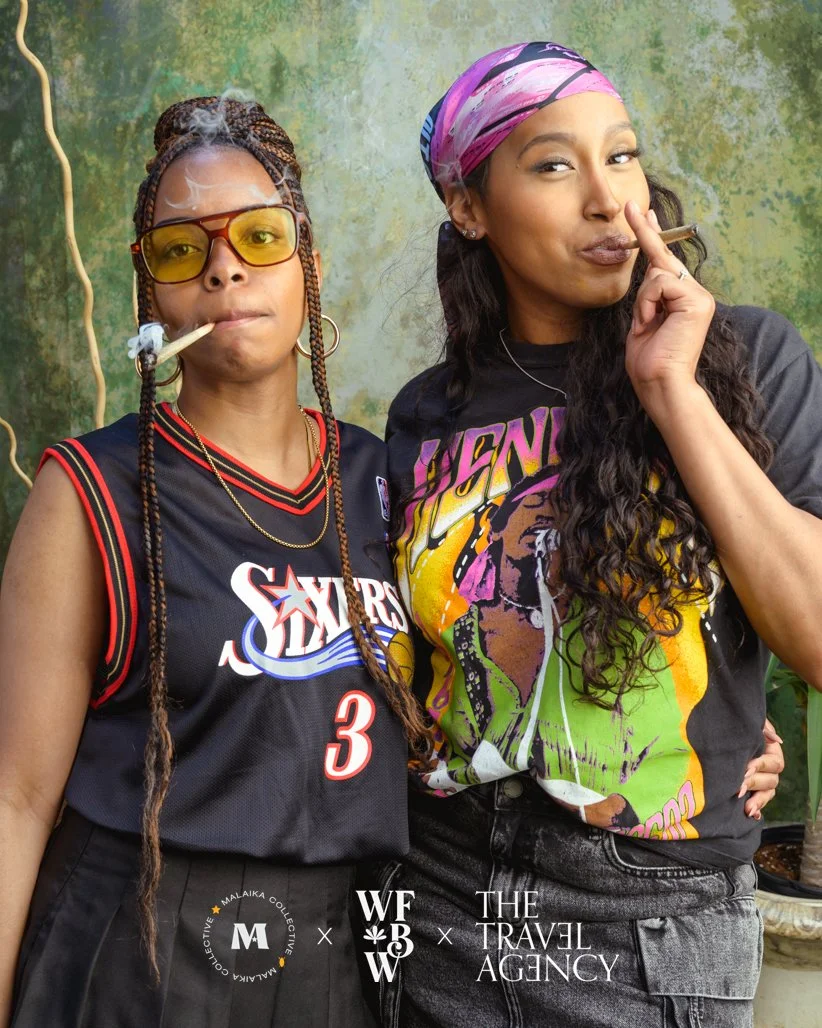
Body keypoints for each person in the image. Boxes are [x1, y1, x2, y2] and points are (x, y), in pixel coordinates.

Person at [380, 42, 804, 1027]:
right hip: (439, 895)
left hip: (647, 922)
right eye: (554, 166)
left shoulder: (746, 360)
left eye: (621, 156)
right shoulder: (424, 416)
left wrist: (671, 390)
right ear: (469, 206)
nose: (610, 199)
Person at [0, 95, 430, 1028]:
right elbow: (16, 797)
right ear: (150, 289)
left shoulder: (388, 481)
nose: (224, 267)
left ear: (310, 263)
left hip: (348, 945)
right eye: (180, 250)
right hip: (141, 948)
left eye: (260, 237)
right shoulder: (91, 490)